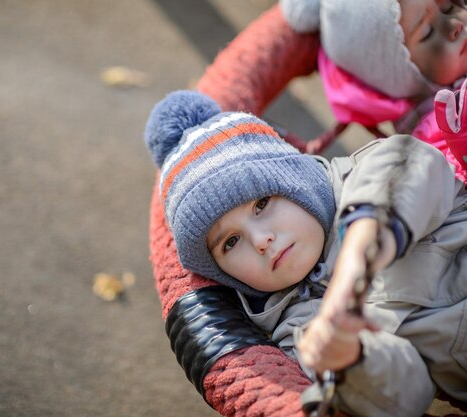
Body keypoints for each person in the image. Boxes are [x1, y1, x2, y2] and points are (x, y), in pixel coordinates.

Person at [144, 89, 467, 417]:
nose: (260, 240)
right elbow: (410, 396)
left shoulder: (364, 173)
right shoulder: (299, 334)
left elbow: (412, 166)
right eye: (230, 242)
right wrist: (353, 358)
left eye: (262, 203)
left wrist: (352, 272)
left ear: (295, 181)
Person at [280, 0, 467, 182]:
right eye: (427, 32)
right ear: (401, 74)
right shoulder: (436, 140)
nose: (455, 24)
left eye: (449, 7)